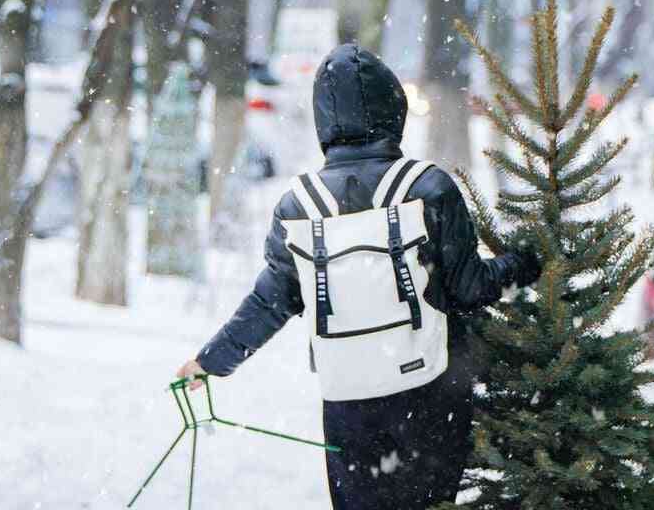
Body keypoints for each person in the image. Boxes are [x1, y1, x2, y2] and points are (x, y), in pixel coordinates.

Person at [175, 44, 540, 510]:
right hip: (429, 393)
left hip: (348, 400)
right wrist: (530, 261)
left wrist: (210, 362)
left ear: (323, 119)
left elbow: (271, 303)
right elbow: (472, 289)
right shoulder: (428, 187)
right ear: (394, 109)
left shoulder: (298, 207)